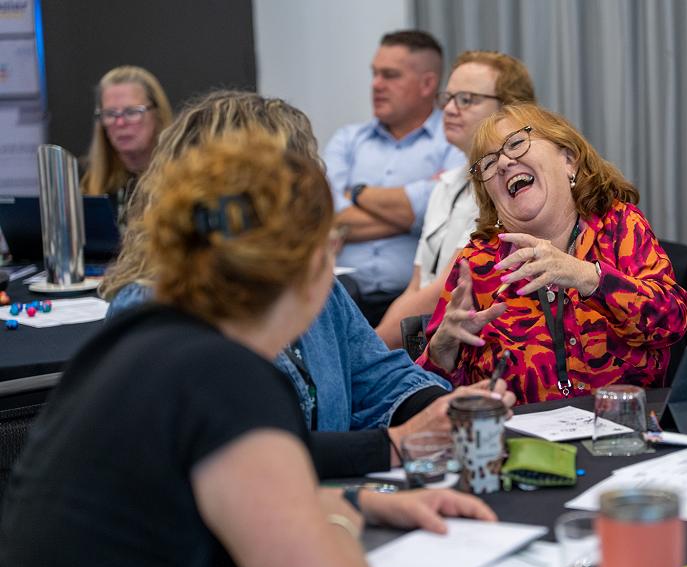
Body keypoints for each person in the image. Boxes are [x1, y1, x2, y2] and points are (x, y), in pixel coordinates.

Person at [0, 131, 496, 567]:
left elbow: (208, 503)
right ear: (317, 261)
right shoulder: (228, 378)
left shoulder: (137, 339)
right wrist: (340, 520)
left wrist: (361, 502)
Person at [100, 90, 514, 478]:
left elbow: (378, 376)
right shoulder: (156, 311)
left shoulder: (304, 281)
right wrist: (398, 443)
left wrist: (446, 410)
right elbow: (244, 458)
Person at [418, 104, 687, 404]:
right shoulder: (477, 264)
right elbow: (425, 399)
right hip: (517, 431)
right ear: (491, 200)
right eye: (489, 163)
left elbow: (673, 322)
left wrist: (587, 277)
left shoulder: (619, 226)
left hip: (619, 425)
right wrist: (442, 352)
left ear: (569, 161)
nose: (504, 163)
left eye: (516, 143)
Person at [375, 50, 536, 349]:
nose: (449, 109)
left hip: (475, 343)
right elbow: (417, 285)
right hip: (423, 338)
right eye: (447, 98)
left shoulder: (512, 188)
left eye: (466, 99)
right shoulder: (446, 185)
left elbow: (446, 289)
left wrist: (373, 349)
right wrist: (374, 347)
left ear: (509, 109)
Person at [323, 30, 465, 326]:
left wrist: (356, 194)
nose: (376, 84)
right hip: (340, 298)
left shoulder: (454, 141)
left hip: (420, 301)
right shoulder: (347, 140)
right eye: (374, 74)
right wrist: (411, 217)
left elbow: (447, 212)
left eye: (390, 75)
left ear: (427, 84)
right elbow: (327, 216)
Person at [80, 65, 173, 223]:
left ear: (157, 114)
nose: (120, 123)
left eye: (132, 112)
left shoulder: (183, 179)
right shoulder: (85, 183)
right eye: (110, 114)